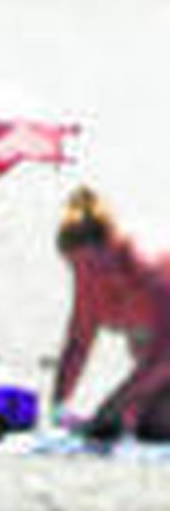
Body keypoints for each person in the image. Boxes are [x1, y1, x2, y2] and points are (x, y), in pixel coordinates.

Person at [52, 186, 170, 440]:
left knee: (157, 426)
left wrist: (116, 403)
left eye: (96, 266)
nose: (92, 277)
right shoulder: (88, 277)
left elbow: (165, 352)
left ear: (113, 248)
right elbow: (78, 343)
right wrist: (59, 405)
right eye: (78, 268)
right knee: (141, 425)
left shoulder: (148, 265)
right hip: (157, 363)